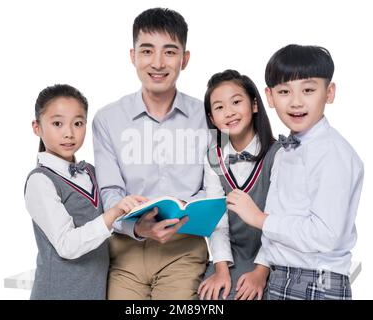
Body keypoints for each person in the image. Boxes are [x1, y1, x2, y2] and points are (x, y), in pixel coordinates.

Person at [226, 44, 364, 300]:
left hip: (317, 282)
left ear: (329, 92)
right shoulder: (284, 152)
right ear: (269, 97)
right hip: (281, 277)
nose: (296, 101)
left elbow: (327, 235)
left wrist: (259, 219)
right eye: (284, 91)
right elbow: (282, 216)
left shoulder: (332, 153)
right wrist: (263, 267)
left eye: (309, 90)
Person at [92, 7, 210, 300]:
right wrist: (137, 227)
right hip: (125, 249)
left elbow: (214, 187)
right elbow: (110, 191)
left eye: (170, 52)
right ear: (133, 56)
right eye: (147, 51)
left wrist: (186, 209)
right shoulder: (107, 119)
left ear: (185, 59)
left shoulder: (207, 116)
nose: (157, 63)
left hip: (183, 248)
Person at [24, 84, 145, 299]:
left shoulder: (92, 172)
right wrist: (113, 213)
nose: (69, 133)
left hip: (95, 290)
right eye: (57, 123)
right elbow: (67, 245)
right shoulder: (40, 181)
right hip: (58, 293)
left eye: (78, 123)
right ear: (37, 127)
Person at [197, 70, 280, 300]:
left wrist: (260, 273)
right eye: (219, 107)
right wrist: (221, 271)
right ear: (212, 118)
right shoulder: (213, 157)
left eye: (236, 101)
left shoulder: (278, 154)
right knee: (211, 295)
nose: (229, 112)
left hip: (275, 255)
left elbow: (278, 221)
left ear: (254, 105)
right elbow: (218, 222)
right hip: (231, 255)